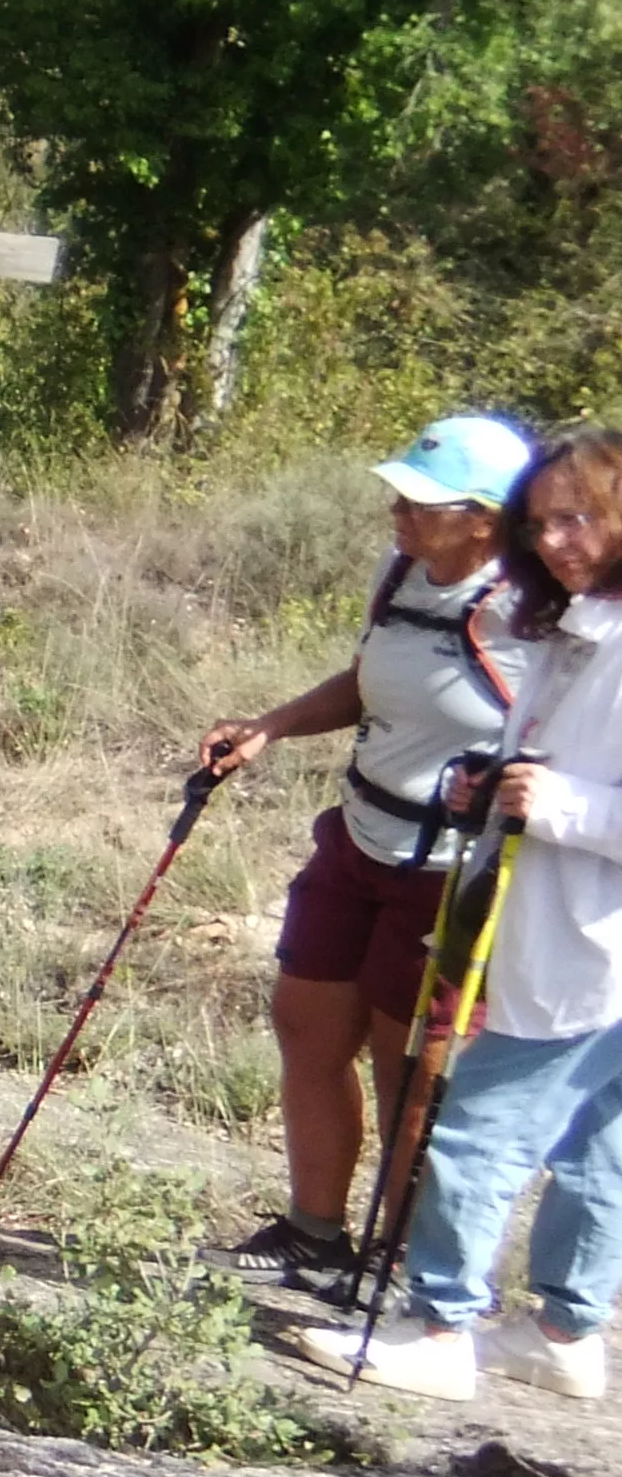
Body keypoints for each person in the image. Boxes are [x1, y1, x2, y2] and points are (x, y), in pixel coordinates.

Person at [299, 424, 622, 1405]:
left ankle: (441, 1327)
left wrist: (552, 805)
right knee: (598, 1139)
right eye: (542, 522)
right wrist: (496, 786)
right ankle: (566, 1328)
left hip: (582, 944)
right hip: (564, 922)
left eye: (580, 517)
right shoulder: (577, 626)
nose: (559, 540)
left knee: (474, 1124)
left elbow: (574, 794)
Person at [194, 415, 538, 1297]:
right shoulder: (406, 577)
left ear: (486, 520)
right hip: (356, 838)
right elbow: (368, 681)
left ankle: (404, 1263)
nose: (399, 510)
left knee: (408, 1071)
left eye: (423, 503)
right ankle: (315, 1233)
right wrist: (271, 726)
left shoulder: (528, 617)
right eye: (401, 495)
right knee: (307, 1025)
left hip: (449, 875)